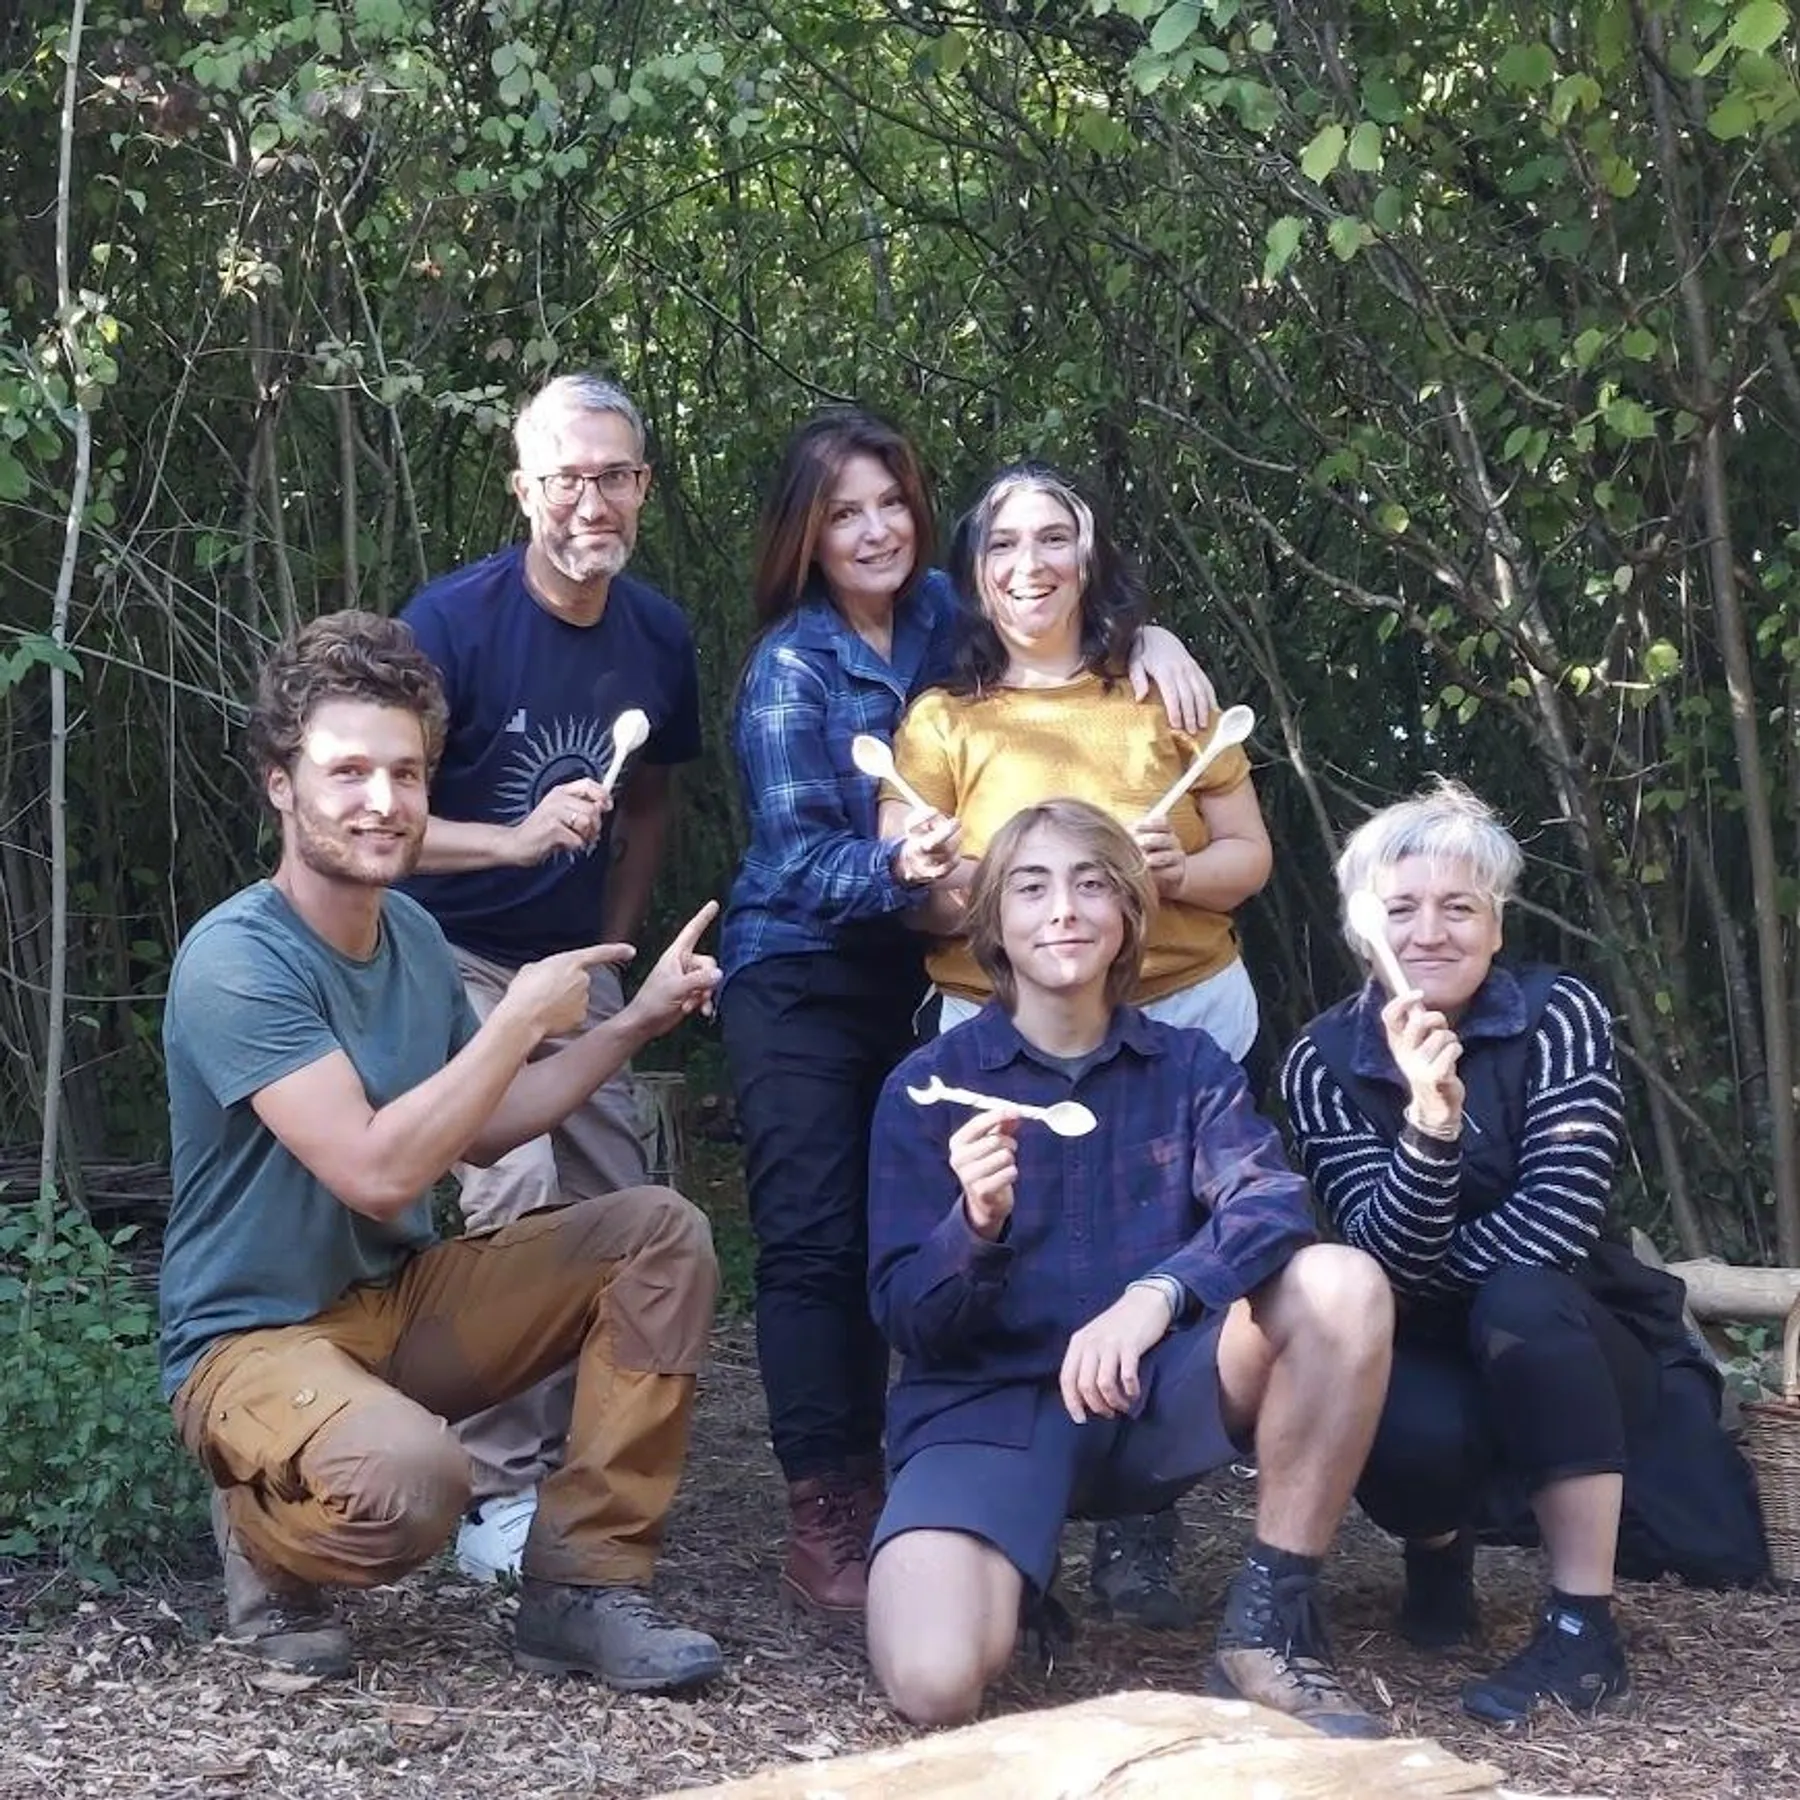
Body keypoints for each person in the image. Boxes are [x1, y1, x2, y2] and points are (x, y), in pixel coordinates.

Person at [160, 611, 722, 1692]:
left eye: (408, 772)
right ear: (282, 783)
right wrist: (517, 1016)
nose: (384, 801)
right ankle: (263, 1531)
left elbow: (494, 1118)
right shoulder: (237, 959)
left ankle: (581, 1586)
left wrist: (633, 1019)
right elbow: (376, 1169)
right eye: (349, 771)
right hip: (251, 1339)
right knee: (418, 1483)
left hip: (396, 1304)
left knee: (657, 1234)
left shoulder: (411, 934)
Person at [720, 409, 1214, 1619]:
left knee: (963, 1222)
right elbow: (794, 855)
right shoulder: (793, 667)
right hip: (803, 976)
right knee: (820, 1242)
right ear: (808, 535)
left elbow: (1048, 619)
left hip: (936, 973)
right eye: (844, 512)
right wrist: (904, 870)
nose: (874, 528)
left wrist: (1145, 632)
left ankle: (950, 1465)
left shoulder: (945, 623)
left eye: (890, 503)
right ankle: (829, 1501)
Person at [863, 800, 1394, 1734]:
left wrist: (1158, 1295)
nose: (1062, 908)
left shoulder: (1190, 1068)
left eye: (1090, 883)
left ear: (1126, 918)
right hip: (985, 1413)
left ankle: (1267, 1630)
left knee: (1341, 1285)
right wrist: (974, 1226)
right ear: (993, 925)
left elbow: (1272, 1204)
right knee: (936, 1682)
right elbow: (906, 1319)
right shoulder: (928, 1087)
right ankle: (1012, 1580)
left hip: (1151, 1396)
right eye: (1031, 887)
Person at [1281, 780, 1762, 1724]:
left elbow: (1559, 1223)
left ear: (1497, 926)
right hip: (1418, 1342)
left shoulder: (1561, 1014)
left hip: (1576, 1336)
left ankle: (1585, 1627)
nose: (1431, 932)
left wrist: (1424, 1270)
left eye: (1460, 907)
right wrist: (1428, 1125)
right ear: (1360, 930)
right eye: (1402, 909)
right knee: (1390, 1413)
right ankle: (1438, 1549)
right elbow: (1374, 1251)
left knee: (1520, 1299)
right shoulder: (1319, 1061)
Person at [883, 462, 1272, 1624]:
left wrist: (1181, 872)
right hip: (998, 1035)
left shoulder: (1163, 693)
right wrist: (947, 881)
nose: (1030, 567)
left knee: (1164, 1267)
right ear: (970, 572)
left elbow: (1247, 858)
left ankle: (1140, 1518)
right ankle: (1007, 1502)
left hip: (1184, 1019)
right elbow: (917, 903)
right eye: (1003, 546)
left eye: (1055, 540)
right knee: (1012, 1250)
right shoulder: (943, 721)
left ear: (1091, 556)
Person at [398, 373, 703, 1580]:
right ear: (525, 489)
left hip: (577, 964)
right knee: (511, 1176)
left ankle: (598, 1477)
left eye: (615, 476)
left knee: (622, 1200)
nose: (593, 502)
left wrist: (615, 953)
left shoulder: (658, 634)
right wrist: (517, 840)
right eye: (568, 477)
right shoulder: (451, 625)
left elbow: (654, 801)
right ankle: (490, 1492)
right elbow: (376, 823)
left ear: (641, 487)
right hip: (452, 954)